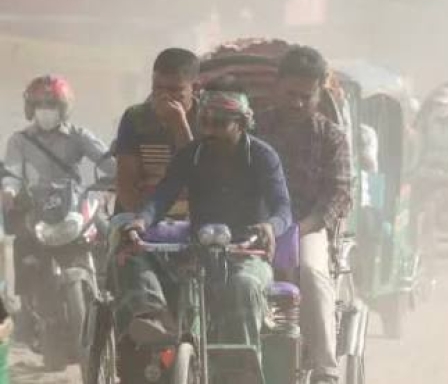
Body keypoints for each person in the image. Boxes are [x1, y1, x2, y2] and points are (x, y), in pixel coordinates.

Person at [119, 77, 292, 350]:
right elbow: (163, 195)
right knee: (131, 254)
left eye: (220, 123)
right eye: (205, 122)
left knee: (243, 286)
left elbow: (283, 208)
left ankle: (239, 366)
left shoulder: (263, 156)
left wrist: (271, 226)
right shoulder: (190, 154)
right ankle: (156, 319)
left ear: (242, 122)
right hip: (196, 252)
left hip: (246, 254)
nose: (210, 130)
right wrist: (141, 221)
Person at [255, 46, 352, 384]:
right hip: (257, 224)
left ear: (318, 94)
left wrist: (298, 229)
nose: (297, 103)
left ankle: (326, 368)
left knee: (311, 271)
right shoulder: (254, 128)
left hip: (308, 225)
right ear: (277, 87)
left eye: (305, 97)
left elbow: (339, 195)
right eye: (290, 94)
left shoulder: (331, 137)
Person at [0, 75, 116, 341]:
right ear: (30, 107)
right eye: (39, 104)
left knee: (113, 238)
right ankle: (27, 315)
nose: (45, 110)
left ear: (63, 107)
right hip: (37, 209)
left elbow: (107, 162)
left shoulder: (78, 135)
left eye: (51, 104)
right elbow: (13, 173)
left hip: (75, 205)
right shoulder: (19, 140)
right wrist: (9, 190)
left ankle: (118, 301)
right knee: (24, 250)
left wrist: (119, 177)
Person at [115, 48, 200, 215]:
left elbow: (200, 180)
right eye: (158, 88)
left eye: (174, 90)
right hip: (140, 212)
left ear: (195, 88)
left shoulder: (208, 119)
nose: (164, 97)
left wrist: (180, 126)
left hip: (193, 215)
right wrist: (143, 220)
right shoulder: (135, 118)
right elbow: (126, 186)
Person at [409, 87, 448, 248]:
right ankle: (414, 238)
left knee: (435, 201)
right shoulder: (425, 124)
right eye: (436, 104)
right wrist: (413, 169)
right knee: (411, 200)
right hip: (427, 170)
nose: (439, 107)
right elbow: (419, 149)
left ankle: (431, 233)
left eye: (443, 104)